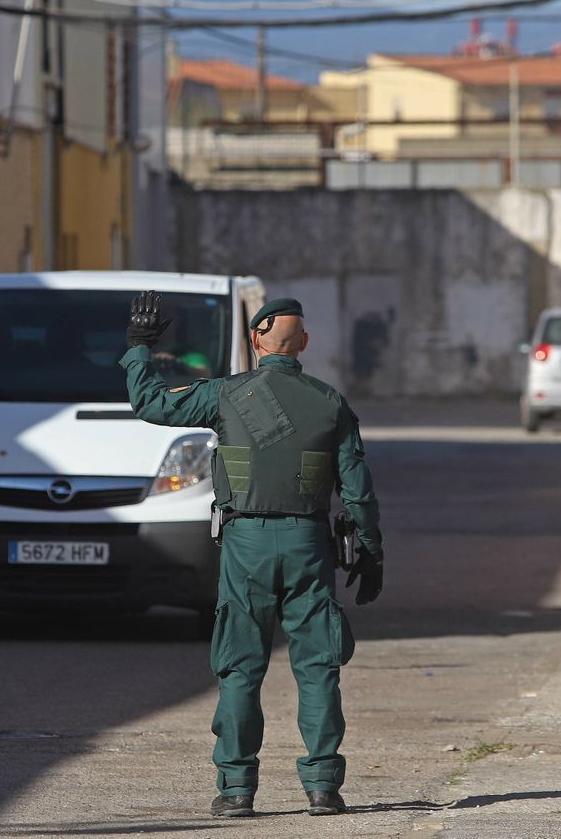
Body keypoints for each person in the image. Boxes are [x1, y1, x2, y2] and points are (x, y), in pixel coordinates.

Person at [119, 291, 385, 819]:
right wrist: (371, 551)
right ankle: (323, 788)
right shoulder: (331, 402)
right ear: (304, 343)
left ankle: (237, 790)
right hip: (309, 546)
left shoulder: (224, 394)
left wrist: (138, 348)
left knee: (241, 668)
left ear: (254, 340)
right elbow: (357, 489)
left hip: (246, 546)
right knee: (318, 668)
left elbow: (150, 404)